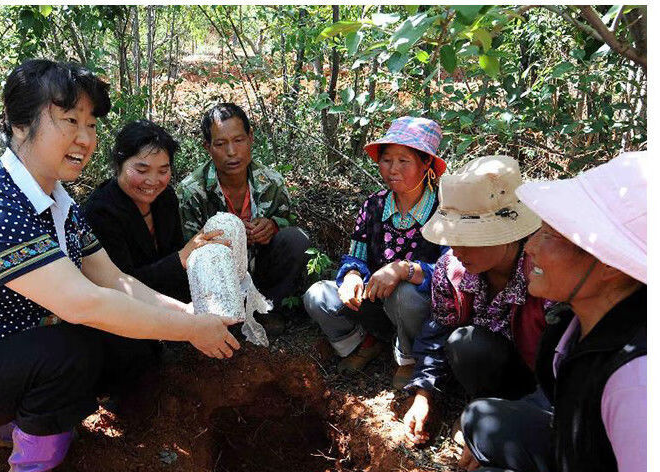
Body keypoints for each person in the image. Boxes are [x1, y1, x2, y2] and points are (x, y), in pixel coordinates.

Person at [0, 60, 238, 472]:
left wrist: (191, 316)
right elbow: (83, 302)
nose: (85, 137)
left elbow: (114, 280)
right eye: (69, 120)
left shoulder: (58, 200)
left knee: (94, 339)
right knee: (73, 349)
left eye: (91, 124)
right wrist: (188, 330)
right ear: (20, 125)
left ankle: (13, 425)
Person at [460, 151, 646, 472]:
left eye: (553, 235)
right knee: (480, 417)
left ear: (610, 264)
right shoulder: (571, 322)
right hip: (578, 453)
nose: (530, 246)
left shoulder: (635, 382)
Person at [401, 156, 545, 446]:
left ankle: (495, 414)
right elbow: (439, 331)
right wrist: (423, 394)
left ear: (509, 235)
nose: (456, 248)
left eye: (470, 238)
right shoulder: (451, 268)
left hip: (536, 380)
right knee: (466, 343)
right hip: (482, 366)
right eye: (453, 237)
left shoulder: (545, 277)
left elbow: (562, 364)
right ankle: (481, 404)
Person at [303, 117, 446, 383]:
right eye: (386, 160)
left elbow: (453, 274)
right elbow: (356, 254)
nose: (393, 169)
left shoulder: (443, 210)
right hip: (377, 304)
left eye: (404, 161)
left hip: (422, 312)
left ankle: (412, 358)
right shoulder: (374, 205)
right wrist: (353, 275)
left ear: (426, 163)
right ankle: (366, 343)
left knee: (405, 294)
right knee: (318, 295)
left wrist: (405, 270)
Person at [177, 102, 310, 336]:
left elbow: (289, 219)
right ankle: (219, 318)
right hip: (218, 275)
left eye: (238, 140)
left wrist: (273, 227)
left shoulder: (271, 182)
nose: (231, 152)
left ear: (250, 138)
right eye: (220, 143)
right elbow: (188, 249)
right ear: (207, 147)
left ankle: (267, 310)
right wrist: (224, 240)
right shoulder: (192, 191)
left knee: (296, 239)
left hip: (261, 268)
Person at [83, 119, 228, 303]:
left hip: (171, 301)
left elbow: (174, 255)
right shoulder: (100, 211)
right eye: (142, 170)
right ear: (119, 164)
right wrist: (181, 258)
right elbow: (120, 284)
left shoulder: (166, 197)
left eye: (162, 171)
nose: (152, 181)